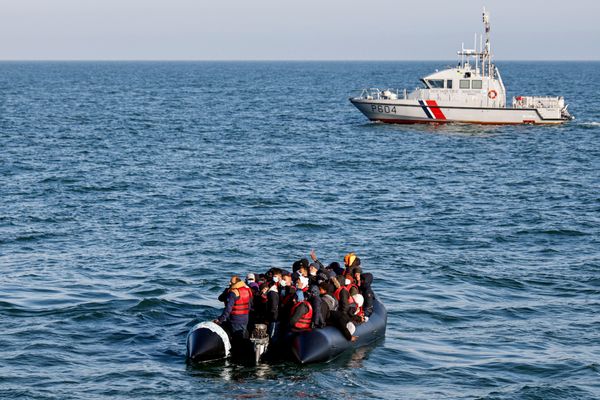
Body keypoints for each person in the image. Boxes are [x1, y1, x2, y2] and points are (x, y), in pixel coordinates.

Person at [214, 275, 253, 340]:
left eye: (231, 282)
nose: (229, 283)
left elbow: (228, 309)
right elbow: (250, 304)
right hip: (245, 318)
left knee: (236, 339)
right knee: (243, 335)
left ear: (236, 283)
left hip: (235, 320)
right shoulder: (247, 290)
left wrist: (220, 320)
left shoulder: (233, 292)